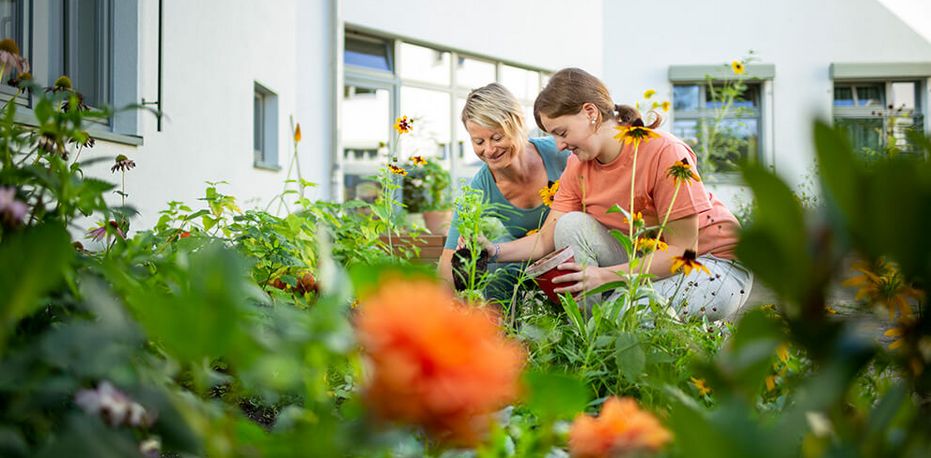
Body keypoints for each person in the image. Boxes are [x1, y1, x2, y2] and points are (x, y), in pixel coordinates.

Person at [483, 68, 752, 321]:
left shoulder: (663, 152)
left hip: (711, 264)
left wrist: (604, 276)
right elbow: (544, 241)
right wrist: (490, 252)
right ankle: (589, 338)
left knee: (624, 312)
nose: (560, 145)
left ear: (590, 112)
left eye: (561, 133)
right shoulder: (578, 167)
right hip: (647, 259)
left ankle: (622, 326)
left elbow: (683, 252)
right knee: (570, 224)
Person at [438, 83, 569, 301]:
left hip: (572, 259)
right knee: (497, 249)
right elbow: (447, 260)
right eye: (478, 141)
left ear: (518, 124)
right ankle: (502, 330)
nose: (489, 150)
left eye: (497, 138)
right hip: (520, 273)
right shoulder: (479, 189)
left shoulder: (561, 154)